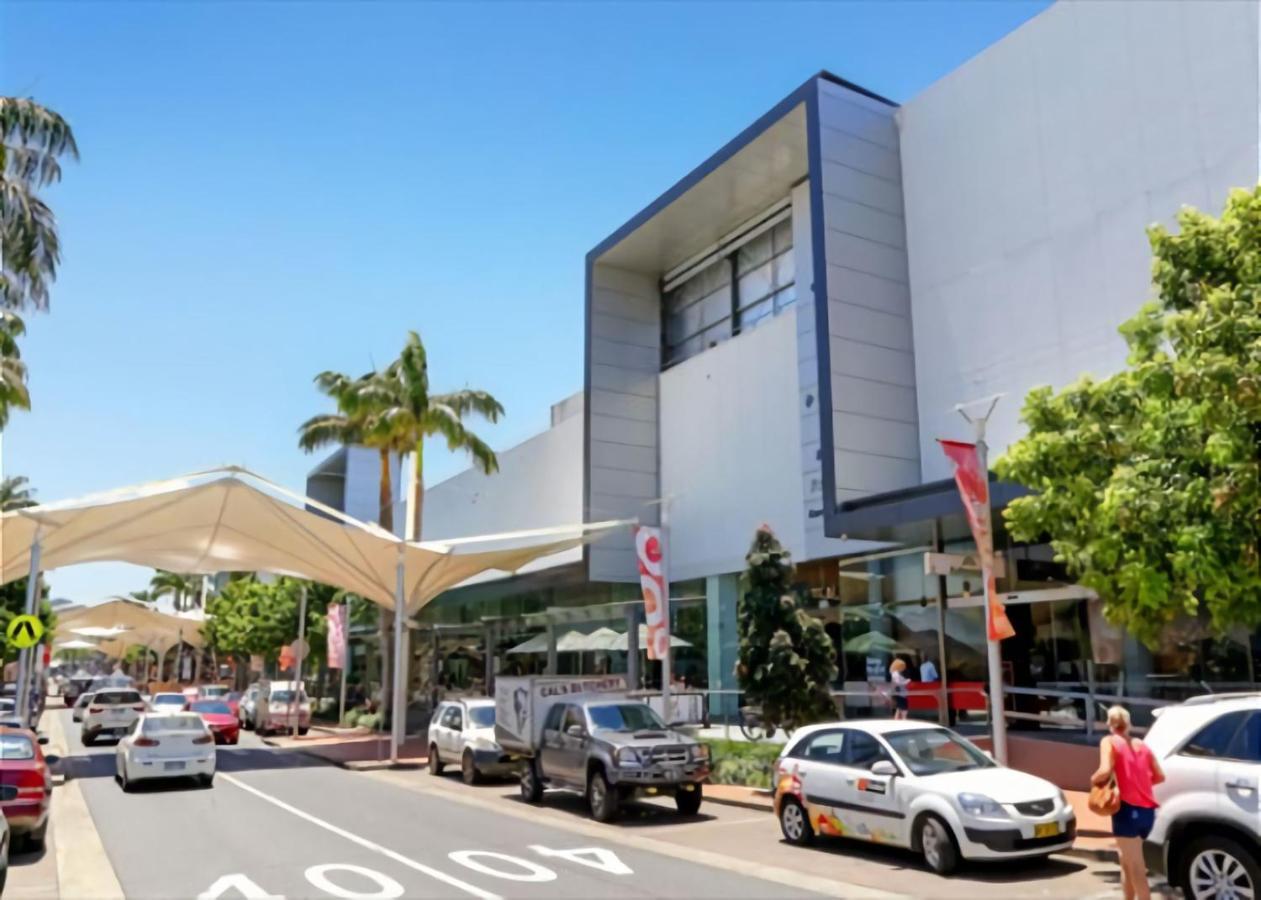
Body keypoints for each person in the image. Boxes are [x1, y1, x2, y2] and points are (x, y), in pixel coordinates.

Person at [1092, 705, 1164, 900]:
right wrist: (1139, 784)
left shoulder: (1109, 741)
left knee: (1136, 868)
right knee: (1126, 862)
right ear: (1129, 723)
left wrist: (1093, 780)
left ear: (1109, 724)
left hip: (1126, 810)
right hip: (1147, 813)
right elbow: (1159, 777)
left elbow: (1104, 770)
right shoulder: (1143, 745)